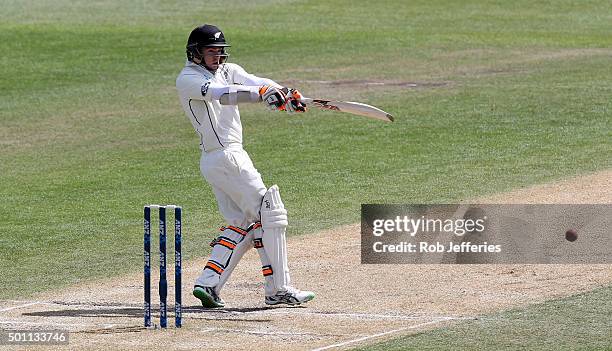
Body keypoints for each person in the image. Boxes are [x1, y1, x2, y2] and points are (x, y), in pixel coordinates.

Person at [175, 24, 314, 307]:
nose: (217, 56)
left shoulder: (229, 69)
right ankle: (278, 289)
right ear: (196, 53)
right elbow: (224, 95)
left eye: (220, 51)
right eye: (210, 51)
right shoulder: (188, 78)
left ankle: (208, 283)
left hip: (222, 160)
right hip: (225, 157)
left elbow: (254, 81)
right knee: (270, 213)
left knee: (242, 223)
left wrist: (284, 93)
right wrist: (261, 95)